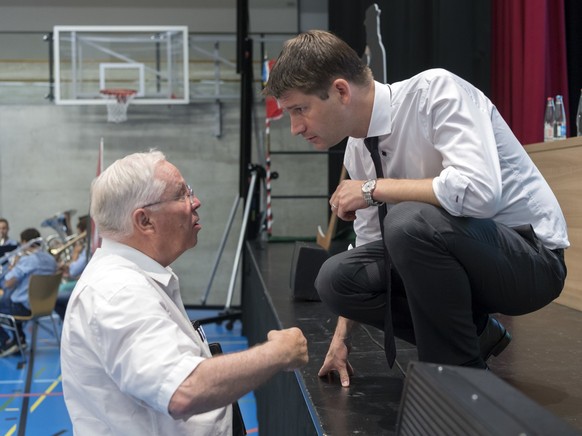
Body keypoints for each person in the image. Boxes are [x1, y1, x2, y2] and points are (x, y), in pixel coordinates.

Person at [264, 30, 568, 385]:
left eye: (300, 109)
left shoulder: (436, 92)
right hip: (458, 265)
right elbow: (370, 246)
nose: (295, 128)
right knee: (335, 280)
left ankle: (460, 381)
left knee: (408, 222)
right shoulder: (358, 149)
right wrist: (340, 338)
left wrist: (374, 189)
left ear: (341, 91)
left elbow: (480, 192)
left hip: (529, 261)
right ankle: (477, 334)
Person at [60, 150, 308, 435]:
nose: (195, 201)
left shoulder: (135, 277)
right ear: (144, 221)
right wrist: (279, 352)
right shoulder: (118, 292)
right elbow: (182, 390)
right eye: (181, 195)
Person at [0, 228, 58, 357]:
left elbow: (8, 283)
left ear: (25, 242)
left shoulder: (28, 260)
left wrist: (13, 267)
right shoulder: (51, 260)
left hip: (24, 307)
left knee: (7, 300)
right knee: (10, 298)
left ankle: (7, 342)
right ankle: (18, 338)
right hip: (45, 306)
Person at [55, 215, 89, 320]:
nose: (79, 236)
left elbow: (73, 271)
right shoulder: (86, 248)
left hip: (84, 286)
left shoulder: (87, 249)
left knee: (56, 295)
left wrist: (74, 255)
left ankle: (70, 322)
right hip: (82, 282)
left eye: (79, 234)